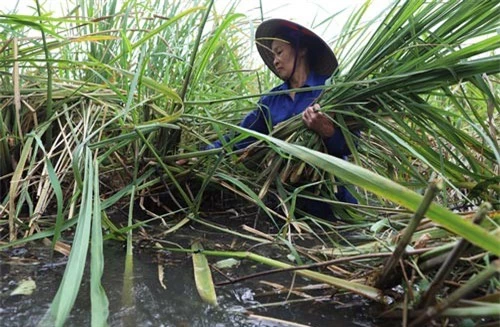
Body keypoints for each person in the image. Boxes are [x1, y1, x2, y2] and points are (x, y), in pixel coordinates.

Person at [207, 19, 358, 219]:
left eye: (279, 52)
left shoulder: (330, 90)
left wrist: (328, 131)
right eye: (273, 55)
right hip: (289, 209)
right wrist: (205, 153)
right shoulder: (271, 100)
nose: (275, 60)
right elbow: (241, 137)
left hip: (333, 205)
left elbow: (351, 144)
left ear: (301, 50)